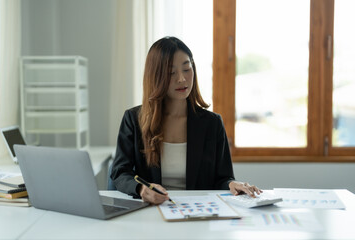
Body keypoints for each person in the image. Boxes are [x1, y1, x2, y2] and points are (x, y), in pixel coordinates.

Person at [109, 36, 262, 204]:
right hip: (150, 210)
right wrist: (141, 189)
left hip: (197, 210)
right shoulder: (133, 119)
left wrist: (231, 184)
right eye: (171, 73)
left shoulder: (212, 123)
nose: (181, 79)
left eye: (186, 69)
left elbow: (222, 178)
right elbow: (120, 172)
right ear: (156, 76)